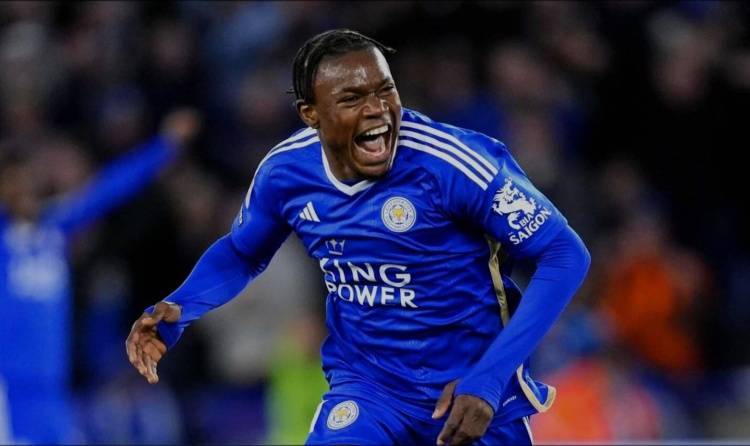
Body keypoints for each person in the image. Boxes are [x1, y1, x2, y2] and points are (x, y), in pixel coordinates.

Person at [127, 29, 590, 446]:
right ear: (311, 114)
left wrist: (490, 378)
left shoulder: (454, 163)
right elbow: (241, 252)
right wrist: (181, 307)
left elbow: (565, 254)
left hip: (469, 392)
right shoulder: (286, 173)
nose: (377, 110)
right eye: (351, 98)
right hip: (370, 391)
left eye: (385, 89)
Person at [0, 109, 199, 443]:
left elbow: (108, 189)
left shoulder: (54, 230)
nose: (24, 189)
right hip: (8, 392)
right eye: (12, 182)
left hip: (53, 388)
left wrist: (165, 146)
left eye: (28, 180)